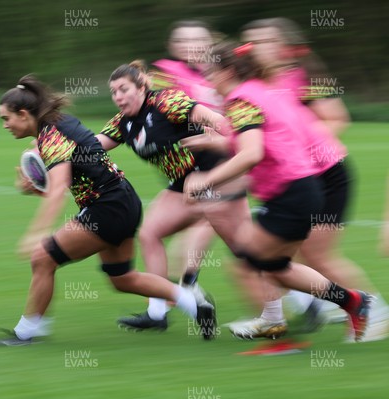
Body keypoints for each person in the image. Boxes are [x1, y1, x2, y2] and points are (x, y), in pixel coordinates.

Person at [0, 75, 214, 346]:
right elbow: (59, 181)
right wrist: (29, 185)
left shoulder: (51, 136)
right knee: (122, 278)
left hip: (106, 207)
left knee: (42, 258)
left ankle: (27, 332)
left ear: (24, 114)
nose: (5, 126)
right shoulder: (59, 123)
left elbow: (58, 189)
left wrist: (37, 233)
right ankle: (193, 302)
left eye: (6, 119)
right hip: (123, 200)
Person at [183, 40, 371, 342]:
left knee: (249, 259)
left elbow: (251, 153)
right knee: (274, 265)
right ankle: (351, 303)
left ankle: (279, 328)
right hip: (301, 189)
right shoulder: (259, 90)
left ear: (228, 71)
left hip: (291, 193)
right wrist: (215, 142)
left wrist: (206, 180)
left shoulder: (240, 100)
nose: (206, 81)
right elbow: (269, 139)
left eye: (210, 73)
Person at [228, 18, 389, 341]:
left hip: (325, 175)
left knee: (313, 255)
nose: (253, 47)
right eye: (250, 41)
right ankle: (307, 308)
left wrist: (299, 149)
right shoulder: (258, 83)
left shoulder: (305, 76)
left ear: (284, 46)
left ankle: (375, 312)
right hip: (297, 179)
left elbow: (337, 118)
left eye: (263, 40)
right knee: (280, 255)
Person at [97, 61, 250, 333]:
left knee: (246, 250)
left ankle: (305, 299)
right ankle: (158, 313)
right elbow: (94, 146)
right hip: (183, 184)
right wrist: (56, 146)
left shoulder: (167, 102)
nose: (118, 97)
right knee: (149, 234)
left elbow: (217, 120)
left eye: (123, 89)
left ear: (142, 87)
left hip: (217, 175)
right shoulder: (124, 122)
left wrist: (218, 137)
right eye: (113, 92)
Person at [150, 20, 250, 294]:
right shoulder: (166, 73)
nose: (191, 46)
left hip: (224, 159)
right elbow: (159, 106)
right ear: (173, 46)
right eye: (183, 41)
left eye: (198, 40)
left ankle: (185, 287)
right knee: (229, 232)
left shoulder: (223, 72)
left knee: (231, 232)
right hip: (190, 162)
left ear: (209, 44)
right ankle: (178, 291)